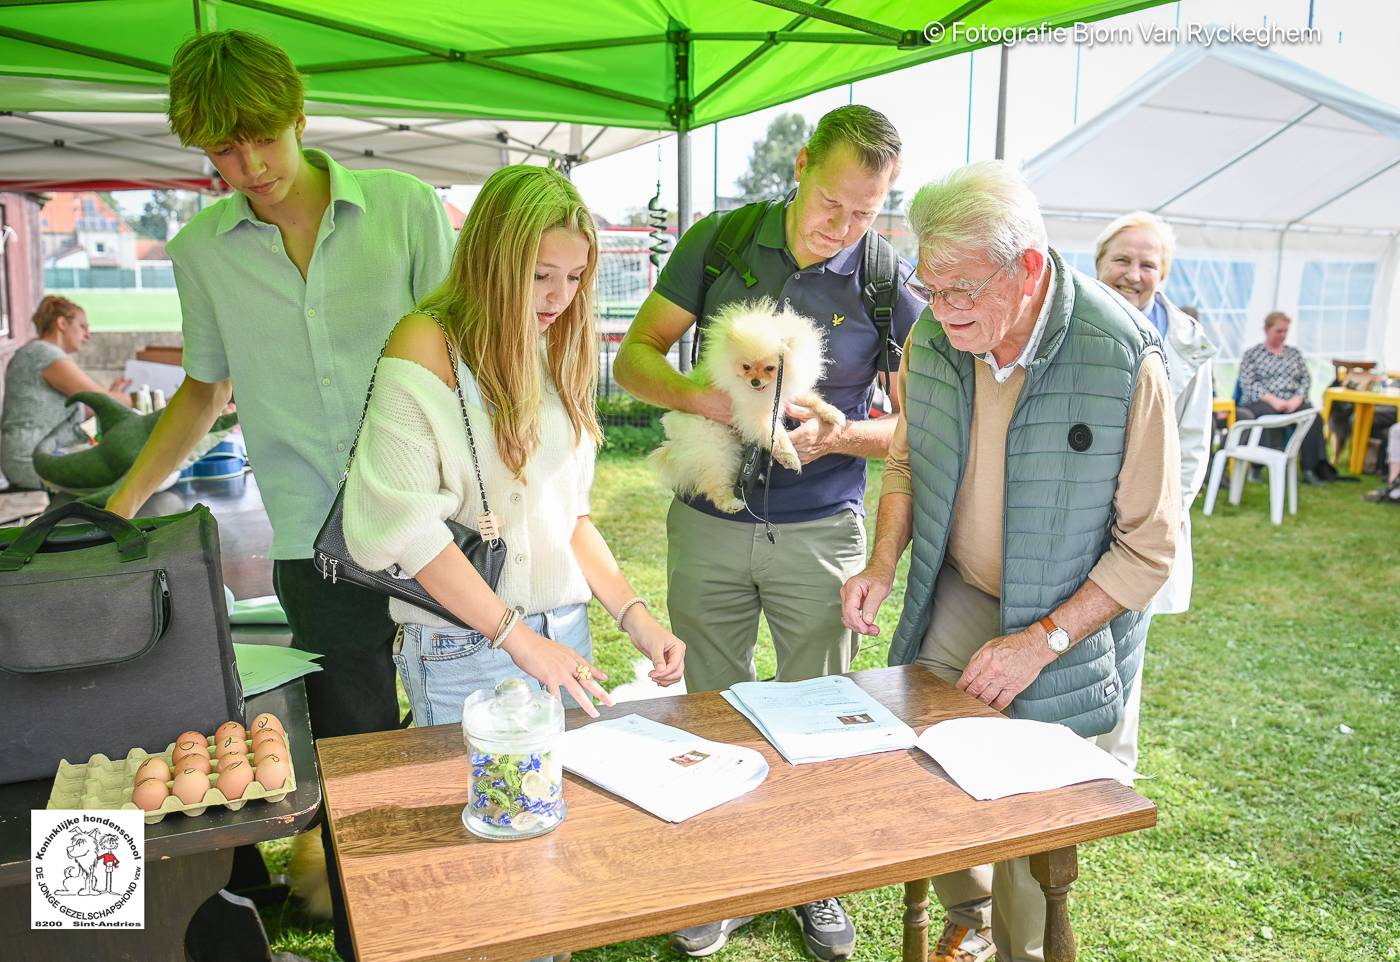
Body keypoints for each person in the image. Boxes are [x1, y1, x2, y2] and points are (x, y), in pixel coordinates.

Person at [102, 29, 454, 961]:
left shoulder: (409, 210)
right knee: (356, 740)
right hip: (310, 538)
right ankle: (374, 931)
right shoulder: (202, 252)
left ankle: (465, 911)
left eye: (262, 136)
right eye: (222, 149)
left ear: (300, 115)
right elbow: (204, 391)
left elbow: (470, 359)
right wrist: (119, 506)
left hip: (438, 521)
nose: (248, 164)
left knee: (456, 725)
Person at [840, 161, 1180, 962]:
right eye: (932, 283)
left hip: (1067, 613)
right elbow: (906, 461)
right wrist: (884, 565)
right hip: (958, 591)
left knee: (1031, 797)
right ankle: (969, 913)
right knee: (927, 759)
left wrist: (1043, 642)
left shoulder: (1122, 356)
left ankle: (1023, 948)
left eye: (961, 289)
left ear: (1028, 269)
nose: (941, 307)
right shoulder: (935, 333)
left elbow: (1151, 546)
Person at [613, 104, 922, 962]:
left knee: (819, 710)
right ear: (799, 165)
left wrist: (838, 434)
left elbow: (915, 425)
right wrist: (711, 401)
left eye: (867, 212)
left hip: (823, 529)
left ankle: (814, 879)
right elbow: (634, 357)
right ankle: (720, 875)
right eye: (833, 204)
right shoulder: (719, 240)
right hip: (707, 521)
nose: (845, 228)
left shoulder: (886, 279)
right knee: (708, 703)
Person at [342, 164, 685, 728]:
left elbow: (570, 518)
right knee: (474, 810)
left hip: (564, 637)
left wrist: (635, 617)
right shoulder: (426, 342)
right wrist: (518, 639)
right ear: (492, 263)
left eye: (576, 277)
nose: (560, 297)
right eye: (541, 275)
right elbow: (407, 529)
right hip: (465, 648)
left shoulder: (554, 348)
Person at [1094, 211, 1216, 769]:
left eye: (1148, 263)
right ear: (1099, 264)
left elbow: (1193, 446)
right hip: (1078, 516)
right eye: (1122, 259)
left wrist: (1158, 522)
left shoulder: (1189, 345)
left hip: (1145, 529)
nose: (1133, 274)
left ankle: (1112, 773)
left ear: (1163, 274)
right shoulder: (1074, 324)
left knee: (1127, 654)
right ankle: (1054, 764)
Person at [0, 295, 131, 490]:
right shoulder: (44, 354)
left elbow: (87, 406)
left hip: (37, 455)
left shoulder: (39, 353)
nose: (88, 335)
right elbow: (99, 398)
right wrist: (148, 398)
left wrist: (114, 396)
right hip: (32, 459)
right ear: (62, 323)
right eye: (82, 327)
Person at [1236, 312, 1335, 483]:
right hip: (1263, 401)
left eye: (1285, 331)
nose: (1282, 335)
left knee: (1312, 417)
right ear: (1267, 330)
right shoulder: (1252, 354)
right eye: (1278, 331)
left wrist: (1297, 398)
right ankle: (1258, 467)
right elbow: (1248, 383)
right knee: (1266, 417)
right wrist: (1272, 400)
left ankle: (1310, 468)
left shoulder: (1294, 353)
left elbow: (1305, 379)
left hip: (1292, 401)